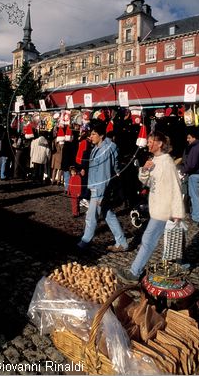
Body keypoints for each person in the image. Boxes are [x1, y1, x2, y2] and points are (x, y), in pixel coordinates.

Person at [116, 131, 185, 283]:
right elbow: (146, 182)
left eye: (150, 141)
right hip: (156, 207)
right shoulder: (155, 159)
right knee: (154, 240)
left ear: (159, 144)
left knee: (148, 239)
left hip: (163, 208)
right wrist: (145, 169)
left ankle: (134, 273)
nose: (148, 143)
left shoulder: (167, 163)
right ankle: (177, 267)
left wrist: (177, 212)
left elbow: (176, 187)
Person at [77, 120, 128, 252]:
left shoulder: (105, 149)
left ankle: (85, 241)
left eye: (94, 134)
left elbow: (104, 174)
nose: (91, 136)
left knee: (91, 216)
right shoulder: (97, 148)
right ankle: (122, 242)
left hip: (100, 189)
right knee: (108, 215)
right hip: (97, 187)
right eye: (91, 134)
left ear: (101, 135)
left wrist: (99, 193)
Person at [182, 128, 199, 224]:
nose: (187, 140)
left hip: (195, 174)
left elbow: (192, 164)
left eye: (189, 138)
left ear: (194, 137)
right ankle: (195, 214)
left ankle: (196, 217)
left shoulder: (195, 148)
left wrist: (184, 170)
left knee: (194, 196)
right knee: (198, 195)